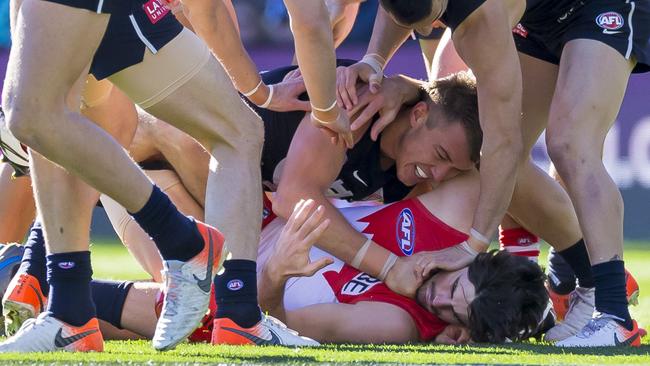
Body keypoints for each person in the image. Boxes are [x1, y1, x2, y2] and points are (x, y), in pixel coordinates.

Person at [337, 0, 649, 347]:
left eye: (431, 21)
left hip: (599, 5)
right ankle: (583, 276)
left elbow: (503, 142)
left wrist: (473, 243)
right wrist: (374, 60)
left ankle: (614, 314)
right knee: (480, 152)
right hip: (539, 15)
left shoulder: (480, 23)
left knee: (569, 143)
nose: (425, 31)